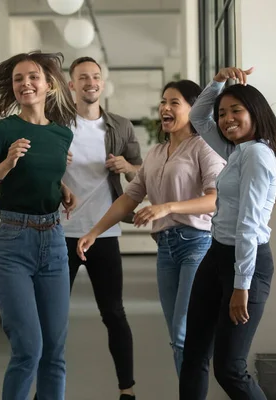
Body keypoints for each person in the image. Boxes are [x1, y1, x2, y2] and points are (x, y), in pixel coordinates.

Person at [77, 79, 226, 379]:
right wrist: (95, 231)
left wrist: (167, 207)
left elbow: (214, 200)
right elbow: (127, 198)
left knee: (185, 332)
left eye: (174, 102)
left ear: (194, 109)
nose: (165, 108)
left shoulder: (204, 148)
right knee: (176, 335)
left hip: (197, 244)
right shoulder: (156, 153)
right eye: (163, 102)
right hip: (166, 247)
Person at [0, 51, 77, 400]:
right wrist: (4, 166)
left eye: (33, 77)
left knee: (55, 351)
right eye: (18, 79)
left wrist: (64, 190)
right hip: (13, 241)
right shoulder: (2, 130)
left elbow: (45, 174)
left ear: (49, 85)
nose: (25, 84)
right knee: (29, 349)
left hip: (53, 241)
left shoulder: (61, 135)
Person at [179, 66, 276, 399]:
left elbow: (250, 226)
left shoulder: (256, 155)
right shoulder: (237, 151)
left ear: (255, 112)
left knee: (229, 368)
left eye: (235, 111)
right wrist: (217, 82)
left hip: (246, 266)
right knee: (194, 353)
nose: (226, 119)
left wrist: (241, 285)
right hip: (218, 255)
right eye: (223, 113)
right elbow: (198, 117)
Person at [60, 56, 143, 400]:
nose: (90, 82)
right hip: (59, 232)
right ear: (71, 85)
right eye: (83, 77)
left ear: (102, 84)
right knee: (53, 316)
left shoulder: (120, 127)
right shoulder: (56, 125)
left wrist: (127, 165)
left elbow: (143, 175)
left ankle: (127, 389)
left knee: (113, 312)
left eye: (96, 77)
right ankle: (48, 390)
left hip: (104, 232)